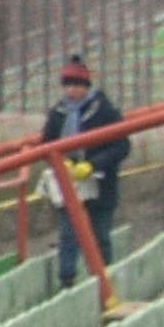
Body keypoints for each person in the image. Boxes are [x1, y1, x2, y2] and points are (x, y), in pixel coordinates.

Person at [37, 56, 131, 257]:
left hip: (101, 184)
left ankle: (104, 279)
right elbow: (47, 143)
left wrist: (93, 165)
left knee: (100, 237)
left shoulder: (104, 111)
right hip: (69, 182)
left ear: (86, 87)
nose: (71, 90)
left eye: (76, 85)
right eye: (67, 85)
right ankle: (67, 281)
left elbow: (122, 146)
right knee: (68, 236)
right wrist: (62, 162)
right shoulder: (58, 113)